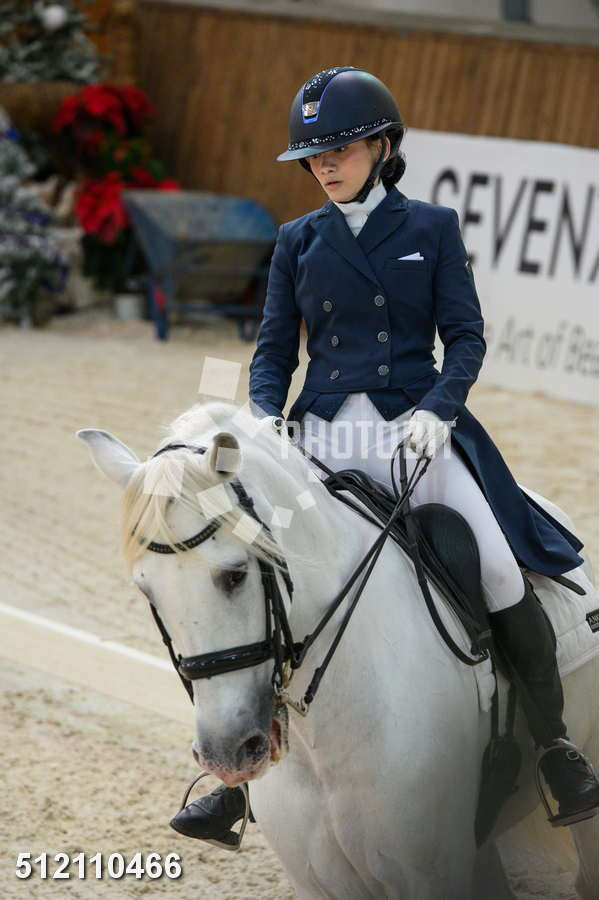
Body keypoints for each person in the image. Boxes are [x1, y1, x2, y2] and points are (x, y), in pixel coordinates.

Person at [170, 66, 599, 846]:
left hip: (413, 434)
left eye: (338, 150)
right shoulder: (297, 240)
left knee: (498, 571)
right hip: (322, 441)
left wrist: (439, 408)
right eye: (313, 156)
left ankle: (554, 750)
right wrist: (265, 419)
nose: (324, 166)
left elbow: (464, 338)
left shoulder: (430, 228)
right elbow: (273, 352)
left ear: (381, 147)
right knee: (259, 583)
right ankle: (240, 782)